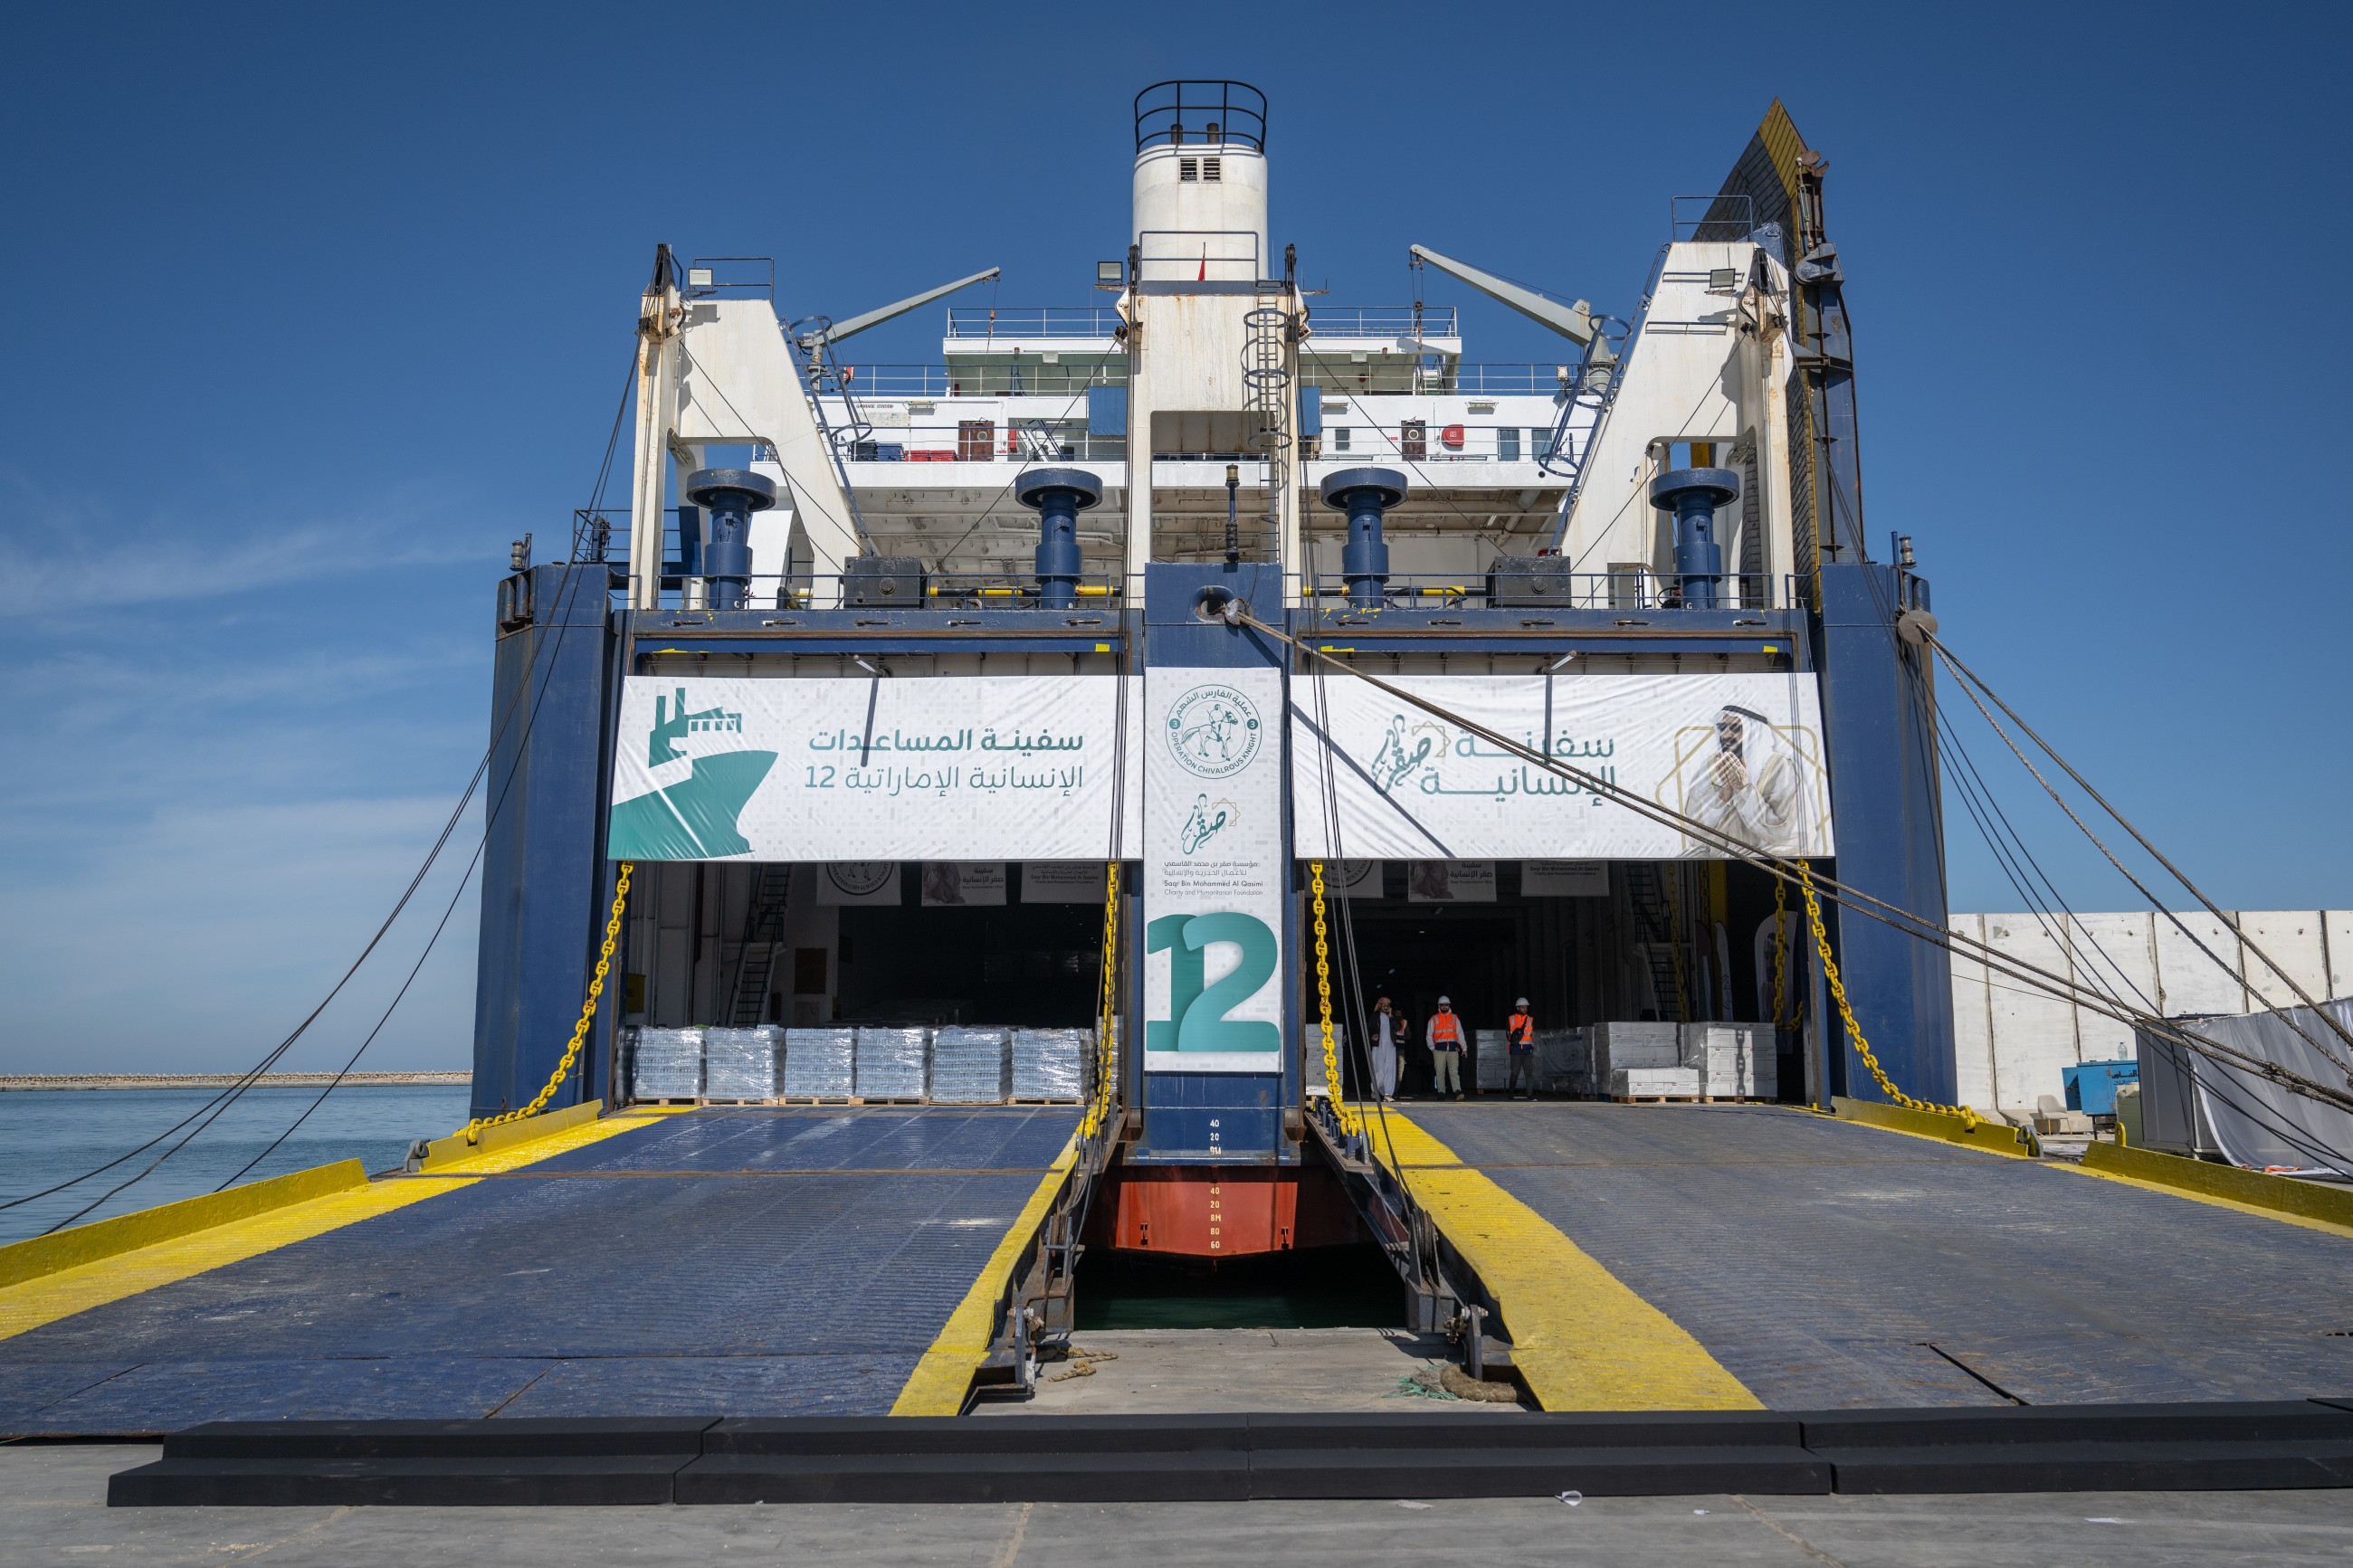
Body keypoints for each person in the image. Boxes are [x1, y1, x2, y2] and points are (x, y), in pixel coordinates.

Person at [1426, 996, 1466, 1099]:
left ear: (1449, 1005)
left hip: (1453, 1049)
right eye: (1442, 1005)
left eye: (1446, 1005)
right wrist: (1432, 1049)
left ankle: (1457, 1091)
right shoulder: (1434, 1019)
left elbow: (1460, 1034)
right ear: (1439, 1006)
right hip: (1439, 1049)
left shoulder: (1454, 1018)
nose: (1445, 1007)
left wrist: (1464, 1048)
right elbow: (1429, 1035)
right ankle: (1441, 1093)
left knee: (1454, 1071)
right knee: (1440, 1072)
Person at [1370, 996, 1401, 1100]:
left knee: (1390, 1070)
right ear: (1380, 1005)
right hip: (1379, 1046)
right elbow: (1368, 1028)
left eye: (1388, 1005)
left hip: (1390, 1046)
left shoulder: (1392, 1017)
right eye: (1384, 1005)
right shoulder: (1375, 1016)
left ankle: (1388, 1094)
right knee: (1379, 1070)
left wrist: (1391, 1016)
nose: (1386, 1007)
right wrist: (1372, 1037)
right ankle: (1375, 1089)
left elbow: (1398, 1027)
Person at [1506, 997, 1537, 1099]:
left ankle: (1530, 1094)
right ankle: (1511, 1093)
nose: (1525, 1008)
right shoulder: (1511, 1019)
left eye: (1526, 1007)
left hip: (1528, 1050)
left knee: (1529, 1072)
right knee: (1515, 1071)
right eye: (1523, 1007)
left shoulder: (1530, 1019)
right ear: (1517, 1008)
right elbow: (1507, 1035)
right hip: (1516, 1049)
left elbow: (1532, 1034)